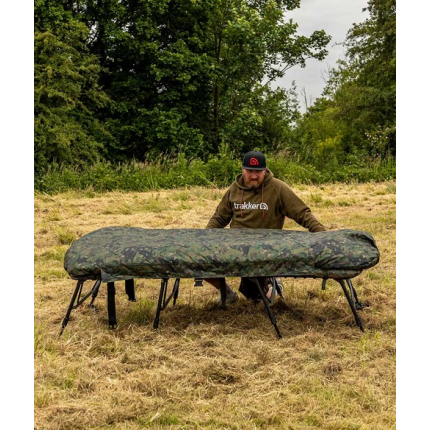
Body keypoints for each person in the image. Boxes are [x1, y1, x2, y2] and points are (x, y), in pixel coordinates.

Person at [204, 150, 326, 304]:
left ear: (265, 170)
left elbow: (302, 213)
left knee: (258, 298)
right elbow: (220, 217)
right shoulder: (234, 190)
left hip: (266, 249)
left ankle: (272, 280)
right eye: (250, 171)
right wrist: (204, 238)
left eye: (258, 172)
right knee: (201, 263)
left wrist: (323, 235)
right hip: (236, 247)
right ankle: (227, 293)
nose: (254, 176)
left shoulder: (278, 188)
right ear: (243, 170)